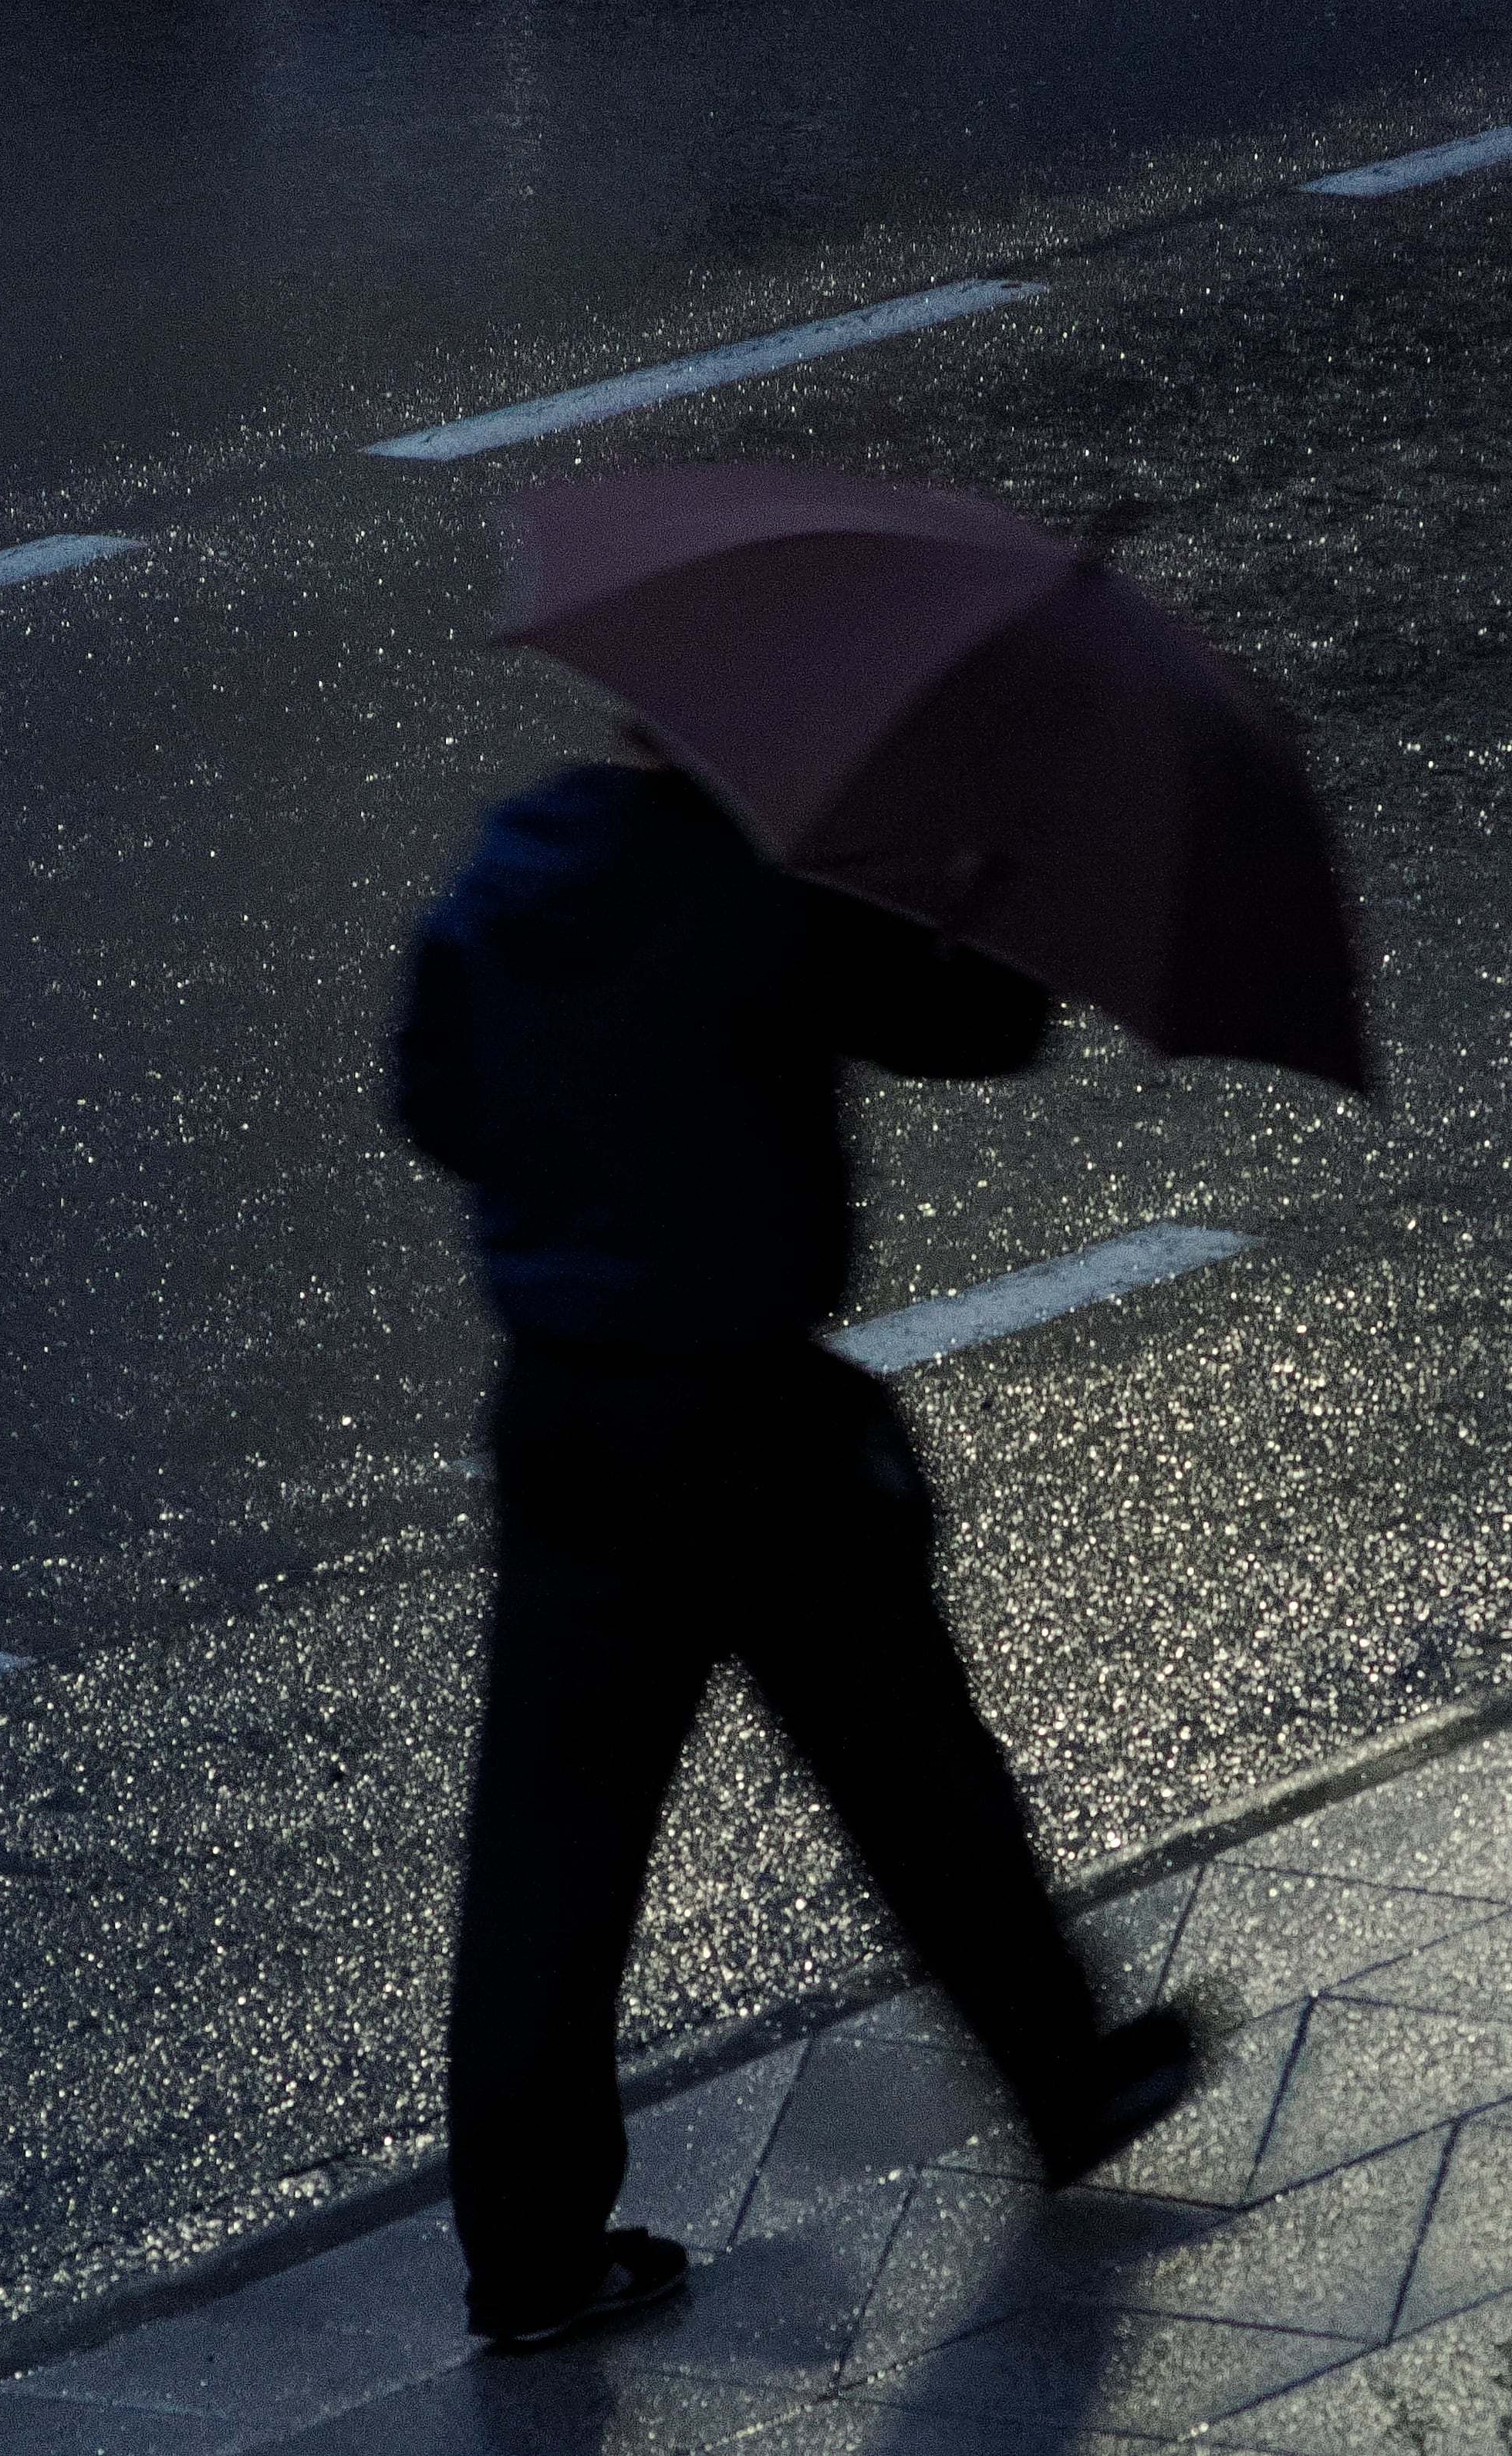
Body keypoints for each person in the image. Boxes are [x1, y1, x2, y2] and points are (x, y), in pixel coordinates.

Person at [391, 726, 1192, 2350]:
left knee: (553, 1847)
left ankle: (530, 2254)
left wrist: (578, 1161)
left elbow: (436, 1096)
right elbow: (981, 1026)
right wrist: (983, 860)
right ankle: (1065, 2074)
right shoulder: (773, 885)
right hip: (751, 1416)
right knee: (911, 1767)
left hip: (560, 1409)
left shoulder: (521, 855)